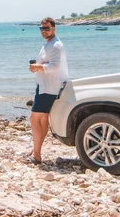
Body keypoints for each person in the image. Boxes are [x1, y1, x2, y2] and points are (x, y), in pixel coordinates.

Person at [23, 17, 69, 165]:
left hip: (49, 87)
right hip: (45, 85)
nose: (44, 31)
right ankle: (36, 150)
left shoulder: (55, 45)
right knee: (42, 119)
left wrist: (37, 67)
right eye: (41, 28)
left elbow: (54, 66)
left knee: (34, 119)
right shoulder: (49, 44)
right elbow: (48, 64)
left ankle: (36, 155)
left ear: (53, 29)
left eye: (47, 28)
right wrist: (37, 67)